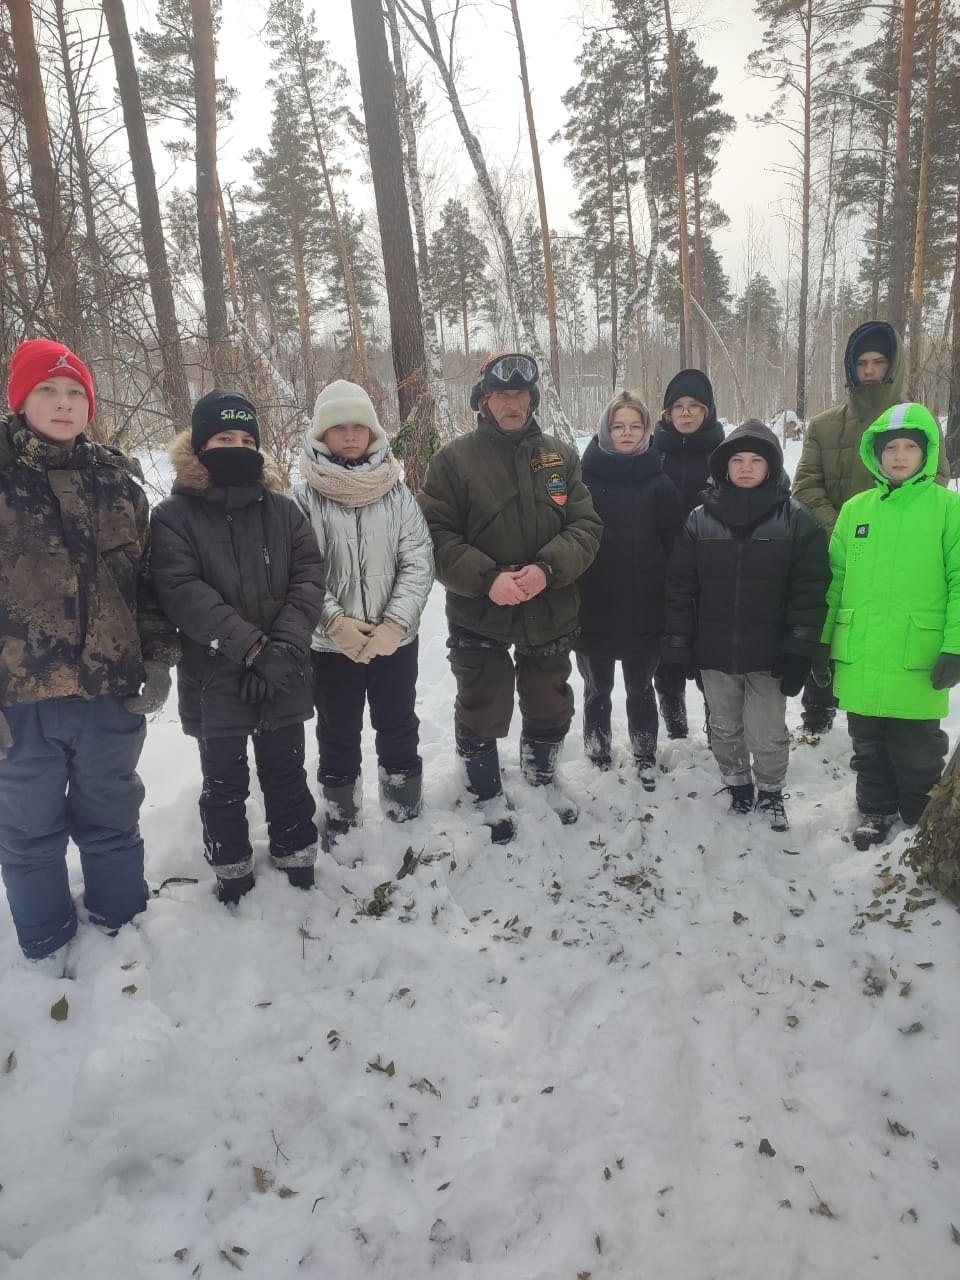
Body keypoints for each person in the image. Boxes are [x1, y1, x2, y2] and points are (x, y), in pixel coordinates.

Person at [0, 338, 179, 964]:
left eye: (76, 392)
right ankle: (45, 946)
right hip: (19, 704)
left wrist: (156, 658)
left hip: (109, 693)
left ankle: (122, 928)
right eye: (47, 390)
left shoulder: (118, 483)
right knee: (28, 832)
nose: (64, 403)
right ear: (19, 399)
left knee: (111, 818)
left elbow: (151, 584)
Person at [418, 352, 601, 841]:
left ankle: (541, 781)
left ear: (532, 399)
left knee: (549, 701)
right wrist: (487, 579)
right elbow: (435, 536)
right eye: (501, 395)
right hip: (480, 611)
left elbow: (586, 525)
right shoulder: (452, 461)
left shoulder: (561, 455)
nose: (512, 403)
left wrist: (547, 569)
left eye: (520, 394)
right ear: (483, 400)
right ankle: (484, 794)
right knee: (483, 703)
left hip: (550, 606)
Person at [150, 390, 325, 903]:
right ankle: (232, 871)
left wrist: (286, 648)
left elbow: (309, 578)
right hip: (215, 676)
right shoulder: (173, 516)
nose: (238, 446)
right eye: (225, 438)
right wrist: (251, 648)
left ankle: (298, 858)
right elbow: (181, 590)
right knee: (223, 783)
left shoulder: (284, 511)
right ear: (201, 445)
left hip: (283, 671)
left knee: (287, 772)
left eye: (248, 439)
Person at [662, 421, 829, 832]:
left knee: (768, 730)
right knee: (724, 725)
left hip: (770, 654)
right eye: (738, 459)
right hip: (715, 650)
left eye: (757, 460)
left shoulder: (795, 520)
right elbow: (681, 587)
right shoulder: (699, 520)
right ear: (724, 467)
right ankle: (737, 784)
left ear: (771, 467)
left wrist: (799, 646)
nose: (747, 467)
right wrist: (679, 645)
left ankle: (771, 791)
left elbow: (810, 589)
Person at [792, 321, 950, 735]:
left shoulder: (918, 423)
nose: (869, 370)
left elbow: (934, 482)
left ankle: (883, 717)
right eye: (861, 362)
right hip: (834, 546)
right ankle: (818, 707)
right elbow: (805, 485)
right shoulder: (824, 425)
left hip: (902, 555)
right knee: (828, 618)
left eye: (879, 361)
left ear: (893, 366)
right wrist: (837, 528)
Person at [295, 380, 433, 851]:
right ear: (322, 435)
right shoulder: (302, 499)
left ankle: (404, 810)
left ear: (373, 433)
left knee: (397, 724)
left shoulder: (396, 494)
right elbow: (300, 571)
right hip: (332, 647)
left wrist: (396, 623)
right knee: (337, 731)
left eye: (359, 427)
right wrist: (332, 622)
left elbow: (418, 559)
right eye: (339, 428)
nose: (349, 436)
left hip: (394, 643)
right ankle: (341, 816)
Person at [822, 402, 960, 850]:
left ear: (927, 452)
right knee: (868, 746)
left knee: (918, 748)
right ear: (874, 454)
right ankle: (876, 811)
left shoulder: (947, 509)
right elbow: (835, 581)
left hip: (916, 658)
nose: (899, 456)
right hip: (861, 654)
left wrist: (955, 646)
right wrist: (822, 641)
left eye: (909, 447)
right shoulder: (855, 511)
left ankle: (919, 817)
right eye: (890, 448)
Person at [575, 391, 682, 790]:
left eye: (635, 426)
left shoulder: (659, 482)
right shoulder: (584, 478)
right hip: (594, 604)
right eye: (618, 426)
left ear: (647, 431)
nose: (626, 433)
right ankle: (597, 749)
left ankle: (644, 753)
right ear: (605, 429)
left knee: (640, 687)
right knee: (596, 686)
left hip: (645, 607)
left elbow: (674, 546)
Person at [651, 368, 725, 739]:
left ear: (707, 411)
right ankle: (675, 725)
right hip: (661, 569)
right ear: (665, 413)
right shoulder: (650, 452)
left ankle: (718, 726)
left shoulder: (725, 454)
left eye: (695, 405)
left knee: (711, 655)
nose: (686, 413)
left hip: (713, 571)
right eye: (677, 406)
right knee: (667, 652)